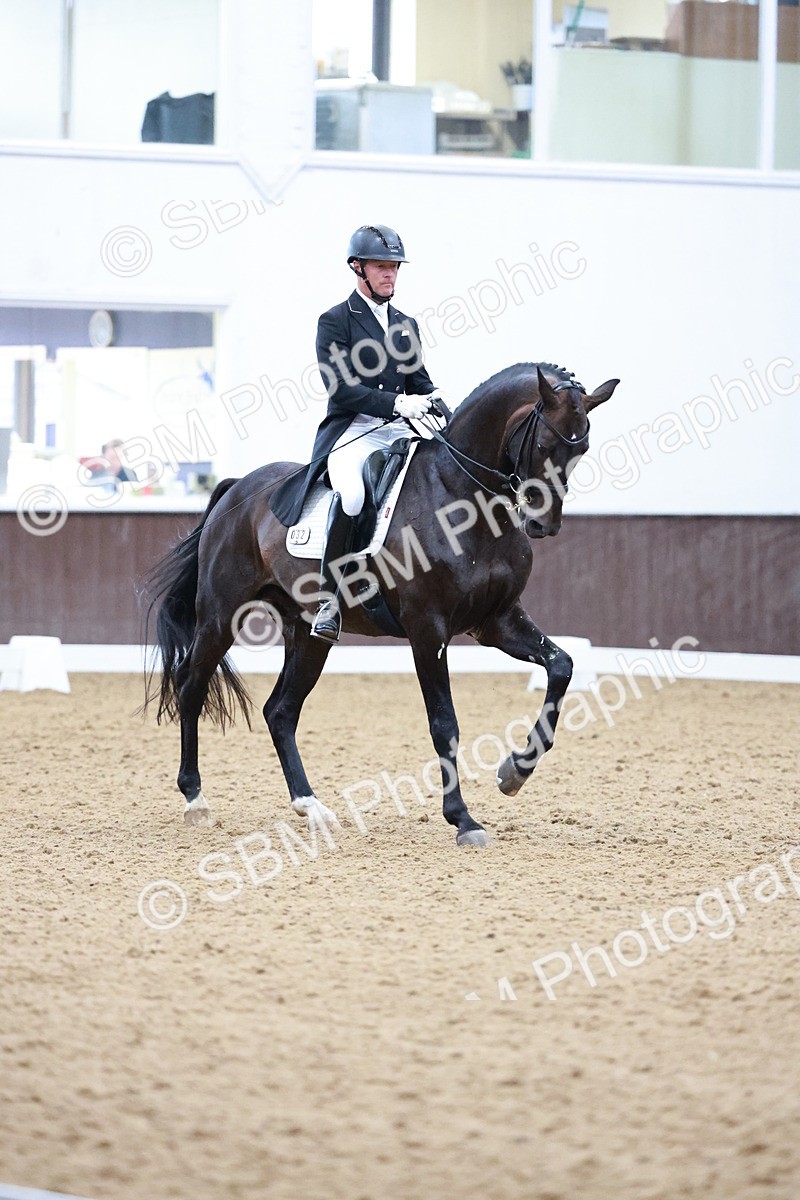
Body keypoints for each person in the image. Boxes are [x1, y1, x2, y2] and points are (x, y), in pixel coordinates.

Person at [271, 223, 440, 644]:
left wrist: (440, 405)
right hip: (353, 432)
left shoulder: (406, 324)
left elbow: (419, 380)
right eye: (382, 267)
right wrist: (397, 404)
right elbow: (341, 389)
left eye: (395, 268)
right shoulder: (335, 321)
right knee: (353, 493)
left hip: (400, 432)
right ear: (358, 268)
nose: (390, 275)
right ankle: (329, 600)